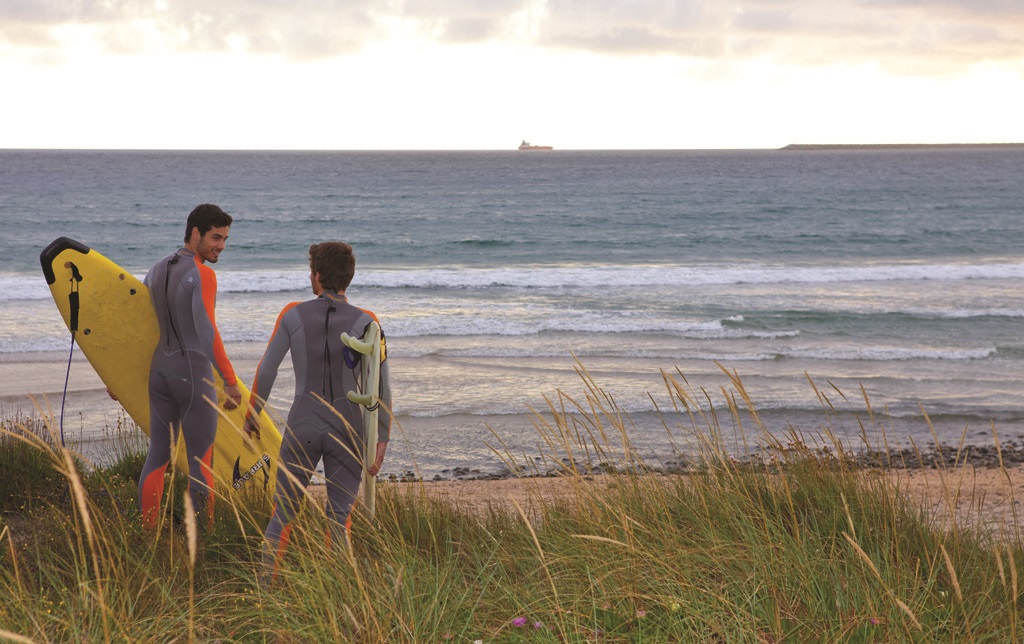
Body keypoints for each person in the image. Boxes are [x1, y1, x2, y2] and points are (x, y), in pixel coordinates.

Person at [243, 241, 391, 575]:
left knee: (284, 511)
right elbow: (382, 385)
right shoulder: (369, 322)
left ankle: (265, 591)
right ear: (348, 279)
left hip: (303, 425)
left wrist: (254, 414)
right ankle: (337, 594)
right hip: (348, 428)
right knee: (339, 517)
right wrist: (382, 437)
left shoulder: (292, 314)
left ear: (317, 276)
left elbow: (266, 370)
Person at [139, 203, 242, 530]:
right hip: (193, 377)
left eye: (225, 239)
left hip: (159, 372)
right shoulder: (203, 274)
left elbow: (139, 327)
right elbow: (206, 331)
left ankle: (148, 530)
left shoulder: (155, 269)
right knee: (201, 461)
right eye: (215, 237)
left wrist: (120, 374)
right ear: (195, 233)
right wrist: (230, 380)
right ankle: (203, 535)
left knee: (158, 454)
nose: (221, 246)